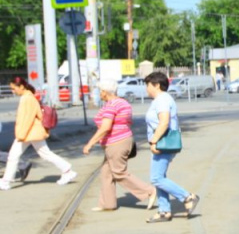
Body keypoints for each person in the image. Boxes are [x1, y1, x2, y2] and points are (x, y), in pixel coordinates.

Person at [82, 79, 156, 212]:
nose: (99, 94)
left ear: (105, 92)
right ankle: (108, 203)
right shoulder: (123, 102)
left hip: (116, 142)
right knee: (106, 174)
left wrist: (90, 144)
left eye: (100, 91)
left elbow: (105, 127)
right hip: (123, 140)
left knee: (118, 172)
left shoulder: (111, 105)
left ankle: (149, 191)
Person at [0, 76, 76, 190]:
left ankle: (5, 181)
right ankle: (67, 170)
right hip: (32, 132)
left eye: (14, 88)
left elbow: (27, 118)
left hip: (28, 132)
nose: (13, 91)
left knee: (15, 156)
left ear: (21, 86)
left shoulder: (27, 98)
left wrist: (20, 134)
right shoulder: (28, 97)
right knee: (41, 154)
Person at [144, 71, 199, 223]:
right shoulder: (160, 99)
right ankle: (164, 211)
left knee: (156, 178)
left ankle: (187, 197)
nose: (146, 89)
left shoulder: (162, 99)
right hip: (162, 142)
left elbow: (164, 122)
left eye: (148, 85)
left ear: (156, 85)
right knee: (159, 178)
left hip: (163, 142)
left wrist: (154, 141)